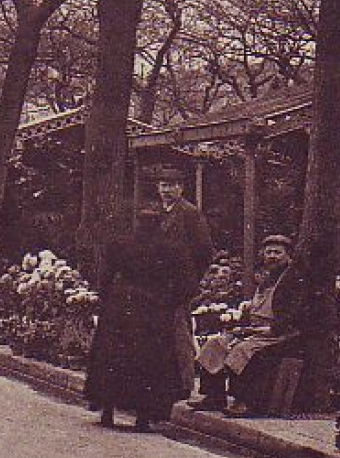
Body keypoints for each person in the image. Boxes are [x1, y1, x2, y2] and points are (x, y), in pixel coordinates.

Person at [84, 219, 194, 431]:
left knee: (114, 357)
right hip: (154, 309)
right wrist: (170, 302)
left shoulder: (120, 244)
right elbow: (186, 284)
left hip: (121, 307)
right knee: (150, 361)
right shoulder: (172, 249)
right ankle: (143, 417)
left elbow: (105, 277)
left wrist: (108, 300)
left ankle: (107, 409)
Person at [192, 234, 313, 417]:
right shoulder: (266, 278)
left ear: (288, 256)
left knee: (243, 350)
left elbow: (296, 312)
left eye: (277, 253)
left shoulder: (293, 279)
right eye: (269, 252)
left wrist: (273, 328)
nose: (272, 256)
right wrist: (242, 324)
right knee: (214, 344)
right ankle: (214, 396)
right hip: (256, 329)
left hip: (280, 332)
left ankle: (245, 401)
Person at [145, 163, 215, 400]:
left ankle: (185, 384)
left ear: (181, 188)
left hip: (179, 284)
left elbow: (204, 250)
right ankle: (165, 381)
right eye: (163, 185)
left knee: (179, 331)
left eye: (172, 186)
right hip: (158, 283)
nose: (167, 190)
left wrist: (190, 279)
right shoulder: (159, 212)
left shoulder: (189, 213)